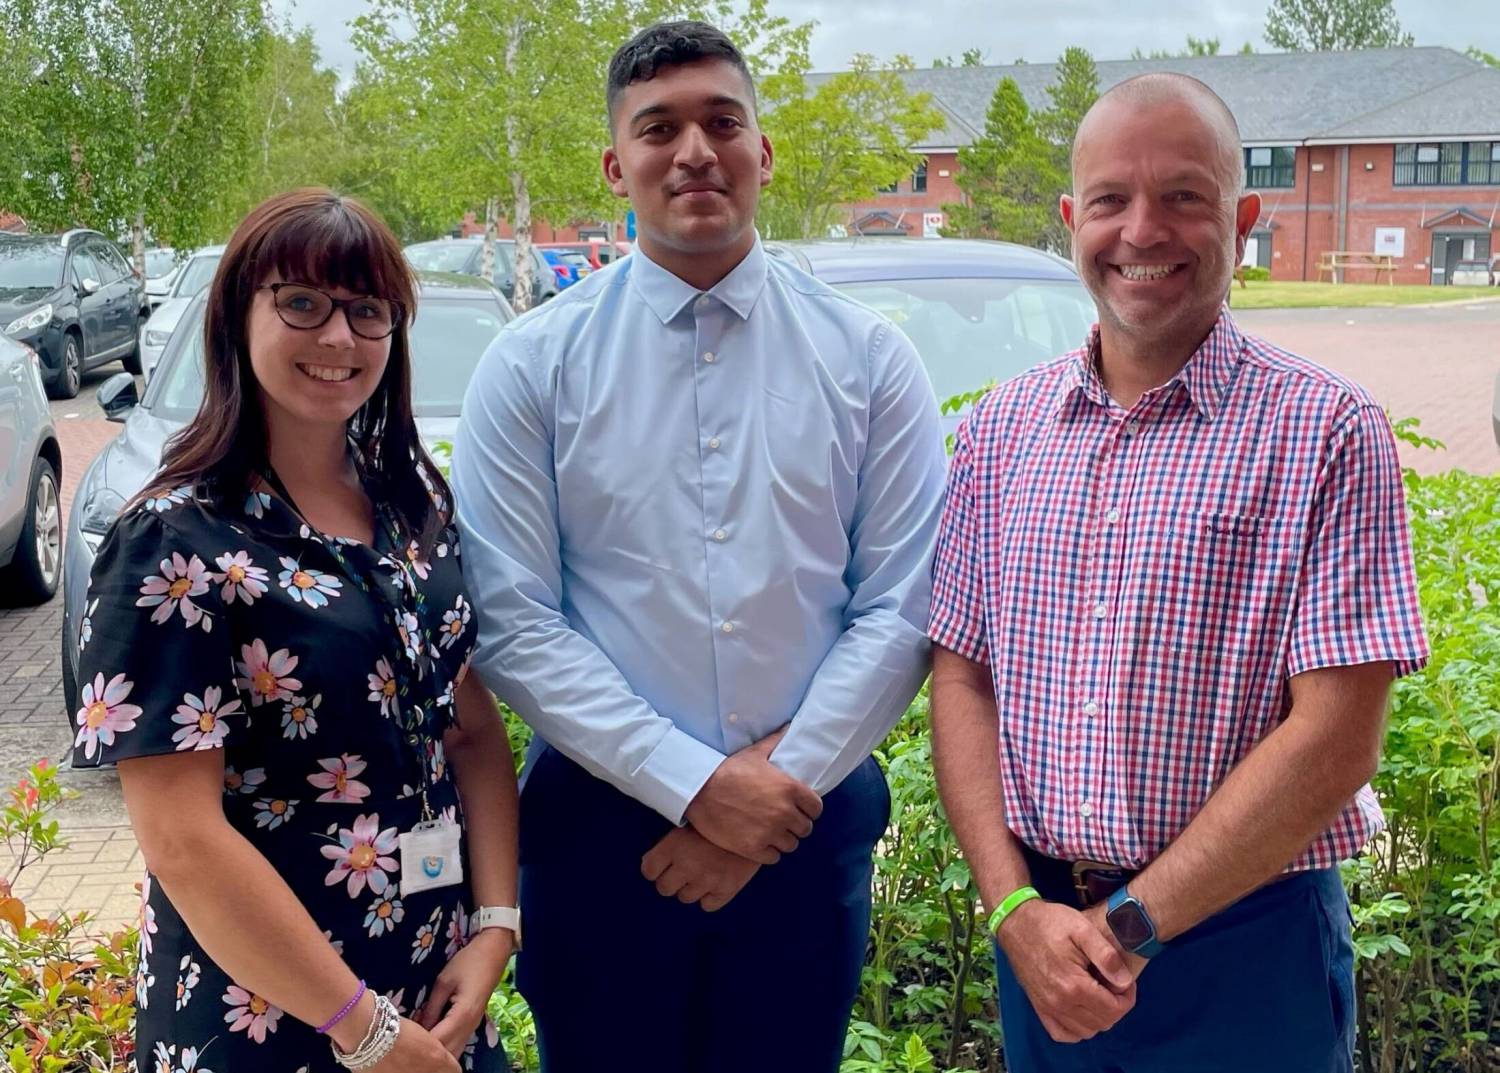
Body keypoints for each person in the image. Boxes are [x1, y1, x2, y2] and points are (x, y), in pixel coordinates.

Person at [449, 19, 947, 1073]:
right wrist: (694, 785)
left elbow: (903, 601)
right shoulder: (530, 366)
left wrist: (765, 796)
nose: (694, 151)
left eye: (723, 121)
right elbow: (512, 617)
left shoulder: (871, 360)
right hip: (598, 833)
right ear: (614, 163)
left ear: (763, 149)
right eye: (658, 127)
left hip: (808, 827)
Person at [927, 74, 1428, 1073]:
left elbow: (1336, 737)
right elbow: (962, 674)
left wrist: (1124, 932)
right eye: (1111, 199)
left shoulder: (1327, 430)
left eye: (1184, 196)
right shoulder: (999, 430)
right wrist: (1016, 909)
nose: (1141, 230)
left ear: (1242, 218)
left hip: (1246, 947)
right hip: (1041, 939)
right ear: (1072, 219)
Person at [71, 189, 519, 1073]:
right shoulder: (174, 539)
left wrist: (495, 926)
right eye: (303, 303)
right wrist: (369, 1035)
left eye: (367, 310)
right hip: (271, 1017)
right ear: (238, 314)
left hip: (434, 988)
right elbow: (184, 842)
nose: (340, 339)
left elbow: (468, 727)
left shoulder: (412, 505)